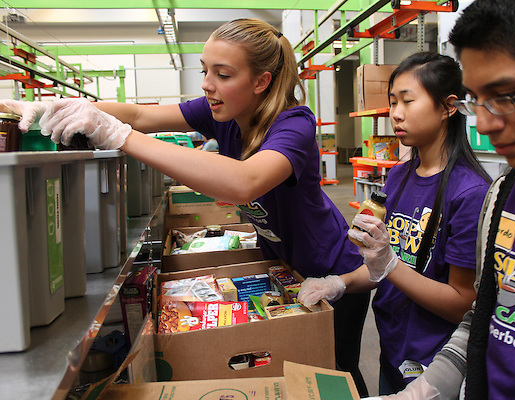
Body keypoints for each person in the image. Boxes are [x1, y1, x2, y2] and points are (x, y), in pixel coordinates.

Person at [1, 18, 371, 396]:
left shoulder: (294, 124)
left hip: (333, 273)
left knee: (335, 372)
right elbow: (141, 116)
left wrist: (121, 137)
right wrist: (53, 109)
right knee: (295, 368)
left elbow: (245, 182)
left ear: (261, 82)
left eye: (222, 74)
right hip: (284, 266)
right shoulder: (222, 113)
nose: (208, 84)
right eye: (205, 71)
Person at [364, 0, 515, 399]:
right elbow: (486, 317)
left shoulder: (471, 191)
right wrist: (428, 387)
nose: (486, 124)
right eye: (477, 99)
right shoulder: (503, 196)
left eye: (506, 94)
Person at [298, 52, 491, 395]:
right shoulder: (399, 176)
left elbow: (462, 303)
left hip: (434, 360)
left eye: (408, 101)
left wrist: (390, 264)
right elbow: (379, 266)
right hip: (392, 342)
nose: (395, 114)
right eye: (392, 102)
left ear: (448, 107)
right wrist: (337, 283)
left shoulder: (469, 192)